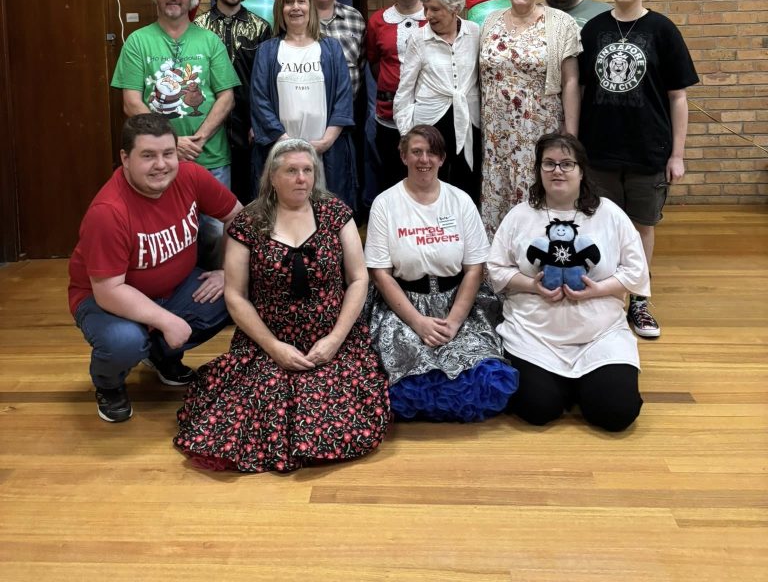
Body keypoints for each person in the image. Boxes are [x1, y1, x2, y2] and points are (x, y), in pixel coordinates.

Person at [173, 138, 389, 473]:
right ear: (272, 177)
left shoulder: (335, 213)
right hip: (268, 339)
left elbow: (359, 279)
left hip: (331, 336)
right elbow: (235, 295)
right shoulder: (249, 222)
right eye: (291, 171)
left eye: (307, 170)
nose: (302, 178)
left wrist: (335, 339)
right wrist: (274, 347)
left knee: (335, 409)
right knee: (249, 411)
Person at [68, 113, 242, 423]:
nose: (161, 165)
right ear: (126, 158)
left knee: (239, 290)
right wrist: (167, 320)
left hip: (175, 288)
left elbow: (237, 216)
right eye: (148, 155)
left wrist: (227, 271)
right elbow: (108, 291)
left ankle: (161, 355)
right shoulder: (108, 211)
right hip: (105, 300)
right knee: (124, 342)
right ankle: (109, 384)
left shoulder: (191, 176)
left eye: (168, 153)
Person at [488, 132, 649, 432]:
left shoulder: (610, 214)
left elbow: (636, 270)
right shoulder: (520, 215)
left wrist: (598, 290)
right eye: (548, 163)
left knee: (616, 413)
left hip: (599, 334)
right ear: (538, 170)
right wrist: (531, 285)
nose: (557, 171)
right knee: (538, 408)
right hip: (534, 334)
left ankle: (587, 383)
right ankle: (566, 385)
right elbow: (496, 268)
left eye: (566, 163)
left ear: (581, 170)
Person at [578, 0, 699, 339]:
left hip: (649, 148)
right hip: (599, 149)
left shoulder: (662, 30)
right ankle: (606, 296)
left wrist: (677, 154)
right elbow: (580, 89)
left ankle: (640, 300)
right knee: (601, 225)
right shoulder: (593, 29)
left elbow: (678, 97)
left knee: (642, 225)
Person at [365, 125, 518, 422]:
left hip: (458, 301)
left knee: (484, 377)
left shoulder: (460, 200)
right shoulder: (385, 204)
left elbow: (475, 268)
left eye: (432, 152)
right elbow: (380, 274)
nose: (424, 159)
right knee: (406, 379)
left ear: (442, 158)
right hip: (403, 305)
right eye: (417, 152)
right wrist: (418, 323)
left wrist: (455, 321)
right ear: (404, 156)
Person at [111, 0, 240, 267]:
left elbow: (226, 97)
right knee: (165, 230)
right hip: (157, 159)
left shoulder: (209, 40)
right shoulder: (137, 42)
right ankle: (175, 284)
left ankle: (216, 284)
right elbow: (131, 102)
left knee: (213, 230)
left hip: (210, 156)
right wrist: (173, 144)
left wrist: (199, 137)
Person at [479, 0, 582, 237]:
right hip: (496, 133)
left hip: (539, 128)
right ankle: (500, 259)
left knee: (537, 189)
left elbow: (571, 81)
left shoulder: (560, 23)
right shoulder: (490, 22)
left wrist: (570, 135)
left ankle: (541, 254)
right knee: (498, 190)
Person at [250, 0, 356, 208]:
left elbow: (343, 98)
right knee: (281, 209)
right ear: (281, 9)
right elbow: (259, 100)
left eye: (301, 1)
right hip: (280, 147)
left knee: (327, 209)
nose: (295, 7)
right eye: (289, 2)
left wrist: (327, 140)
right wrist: (286, 143)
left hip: (325, 150)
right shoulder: (267, 50)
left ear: (311, 7)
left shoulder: (331, 48)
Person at [393, 0, 481, 202]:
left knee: (467, 184)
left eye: (435, 9)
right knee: (431, 186)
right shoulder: (418, 39)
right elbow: (404, 90)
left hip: (469, 122)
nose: (428, 15)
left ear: (455, 8)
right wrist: (406, 135)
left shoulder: (475, 33)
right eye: (426, 8)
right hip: (430, 125)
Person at [195, 0, 272, 205]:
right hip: (208, 121)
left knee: (249, 191)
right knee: (212, 196)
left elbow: (266, 82)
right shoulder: (198, 27)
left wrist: (258, 122)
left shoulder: (261, 28)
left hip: (247, 124)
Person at [367, 0, 426, 193]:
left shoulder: (435, 17)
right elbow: (374, 62)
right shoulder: (377, 21)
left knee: (426, 168)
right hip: (388, 112)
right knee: (391, 172)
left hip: (427, 110)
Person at [303, 0, 366, 98]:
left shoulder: (355, 18)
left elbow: (362, 65)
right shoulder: (296, 19)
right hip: (305, 106)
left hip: (348, 107)